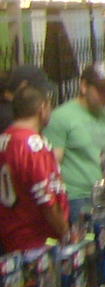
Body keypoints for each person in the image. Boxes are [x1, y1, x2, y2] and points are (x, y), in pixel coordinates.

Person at [0, 84, 69, 251]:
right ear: (42, 108)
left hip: (10, 241)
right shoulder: (33, 146)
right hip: (40, 242)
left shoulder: (4, 140)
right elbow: (45, 199)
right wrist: (65, 232)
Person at [45, 62, 105, 220]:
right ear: (84, 86)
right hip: (77, 198)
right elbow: (52, 165)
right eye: (100, 90)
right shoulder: (61, 117)